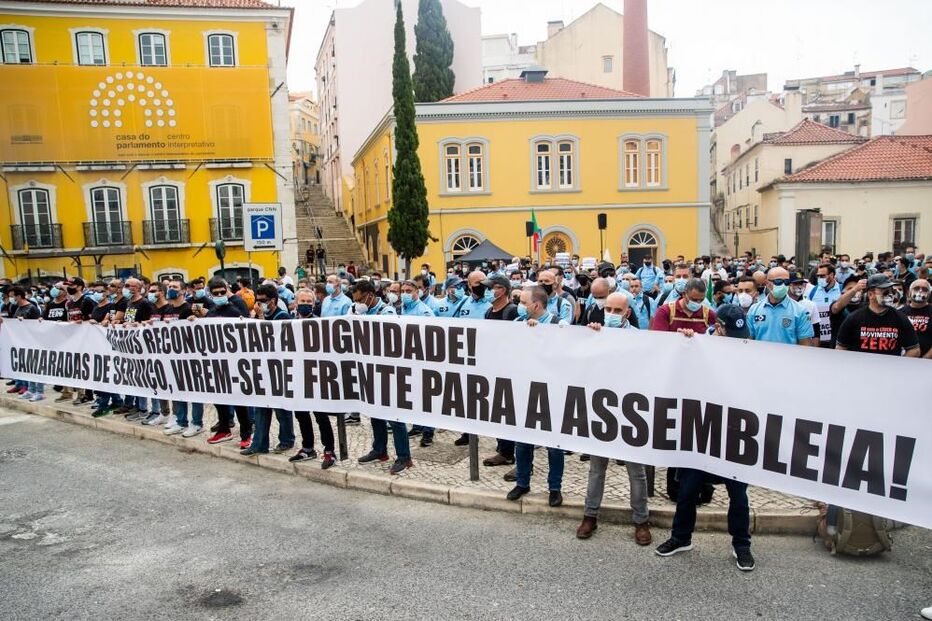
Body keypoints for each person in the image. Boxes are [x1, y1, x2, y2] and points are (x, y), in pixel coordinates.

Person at [655, 303, 755, 571]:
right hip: (699, 428)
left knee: (739, 494)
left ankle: (741, 544)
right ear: (718, 328)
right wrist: (684, 345)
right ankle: (681, 537)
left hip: (733, 430)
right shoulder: (696, 343)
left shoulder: (748, 349)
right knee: (687, 490)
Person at [576, 292, 651, 544]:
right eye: (607, 309)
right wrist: (590, 337)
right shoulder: (596, 334)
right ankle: (590, 515)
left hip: (631, 411)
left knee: (636, 471)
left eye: (617, 311)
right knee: (597, 469)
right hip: (602, 409)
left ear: (627, 313)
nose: (611, 314)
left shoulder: (640, 340)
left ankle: (641, 520)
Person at [506, 285, 565, 507]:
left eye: (523, 302)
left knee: (553, 445)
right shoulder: (516, 324)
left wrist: (540, 334)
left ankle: (555, 488)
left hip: (552, 393)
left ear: (536, 305)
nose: (519, 306)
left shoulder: (559, 324)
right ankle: (522, 482)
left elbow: (565, 353)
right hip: (524, 391)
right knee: (522, 443)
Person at [197, 278, 254, 448]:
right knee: (219, 398)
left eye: (223, 292)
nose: (220, 295)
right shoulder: (212, 312)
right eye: (216, 293)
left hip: (235, 362)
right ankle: (223, 429)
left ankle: (246, 434)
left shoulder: (235, 311)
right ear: (211, 294)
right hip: (217, 363)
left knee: (239, 400)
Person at [242, 284, 296, 456]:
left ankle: (287, 440)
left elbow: (273, 339)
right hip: (262, 370)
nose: (259, 304)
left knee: (282, 410)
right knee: (261, 409)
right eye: (257, 301)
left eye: (263, 301)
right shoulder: (260, 315)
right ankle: (259, 444)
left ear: (273, 300)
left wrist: (261, 318)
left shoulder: (282, 316)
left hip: (279, 370)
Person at [481, 274, 519, 467]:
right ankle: (503, 449)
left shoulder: (512, 312)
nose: (488, 291)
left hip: (509, 369)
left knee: (509, 411)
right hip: (493, 367)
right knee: (497, 411)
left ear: (502, 290)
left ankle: (509, 452)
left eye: (491, 288)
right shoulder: (489, 312)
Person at [836, 274, 920, 358]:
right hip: (861, 369)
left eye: (891, 290)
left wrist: (897, 366)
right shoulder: (854, 318)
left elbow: (914, 350)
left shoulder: (900, 318)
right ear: (871, 295)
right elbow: (840, 348)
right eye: (885, 290)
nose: (890, 294)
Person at [746, 267, 815, 346]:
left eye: (786, 282)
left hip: (788, 357)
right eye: (778, 282)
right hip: (761, 356)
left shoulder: (800, 311)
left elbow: (805, 344)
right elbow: (749, 340)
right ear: (767, 283)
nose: (783, 285)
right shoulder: (754, 310)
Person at [3, 286, 44, 400]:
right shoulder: (17, 308)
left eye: (12, 296)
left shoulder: (31, 308)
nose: (11, 299)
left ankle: (39, 391)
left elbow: (39, 325)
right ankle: (30, 390)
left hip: (33, 343)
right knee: (28, 367)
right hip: (22, 343)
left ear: (19, 296)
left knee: (36, 367)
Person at [650, 278, 717, 334]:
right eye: (694, 300)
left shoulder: (708, 314)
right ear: (684, 294)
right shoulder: (665, 311)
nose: (698, 303)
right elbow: (658, 339)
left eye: (701, 300)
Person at [809, 263, 842, 348]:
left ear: (831, 275)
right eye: (818, 276)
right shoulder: (813, 291)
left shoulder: (841, 289)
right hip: (818, 338)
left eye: (822, 276)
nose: (820, 278)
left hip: (835, 338)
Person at [788, 270, 821, 347]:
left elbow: (816, 332)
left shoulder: (811, 305)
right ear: (789, 285)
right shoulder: (782, 304)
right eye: (796, 284)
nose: (799, 287)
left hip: (805, 347)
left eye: (802, 284)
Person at [903, 279, 931, 358]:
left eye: (925, 289)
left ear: (929, 293)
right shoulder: (899, 313)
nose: (920, 291)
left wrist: (925, 359)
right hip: (904, 360)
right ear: (909, 292)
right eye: (916, 288)